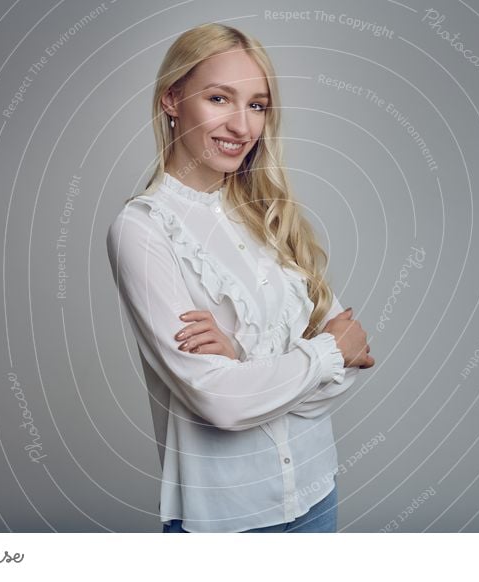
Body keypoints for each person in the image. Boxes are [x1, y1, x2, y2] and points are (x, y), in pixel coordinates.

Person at [106, 22, 374, 533]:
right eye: (219, 98)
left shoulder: (269, 214)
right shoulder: (142, 231)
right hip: (229, 520)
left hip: (319, 492)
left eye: (256, 105)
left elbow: (356, 352)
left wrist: (247, 360)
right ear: (172, 99)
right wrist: (322, 354)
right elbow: (220, 403)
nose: (242, 126)